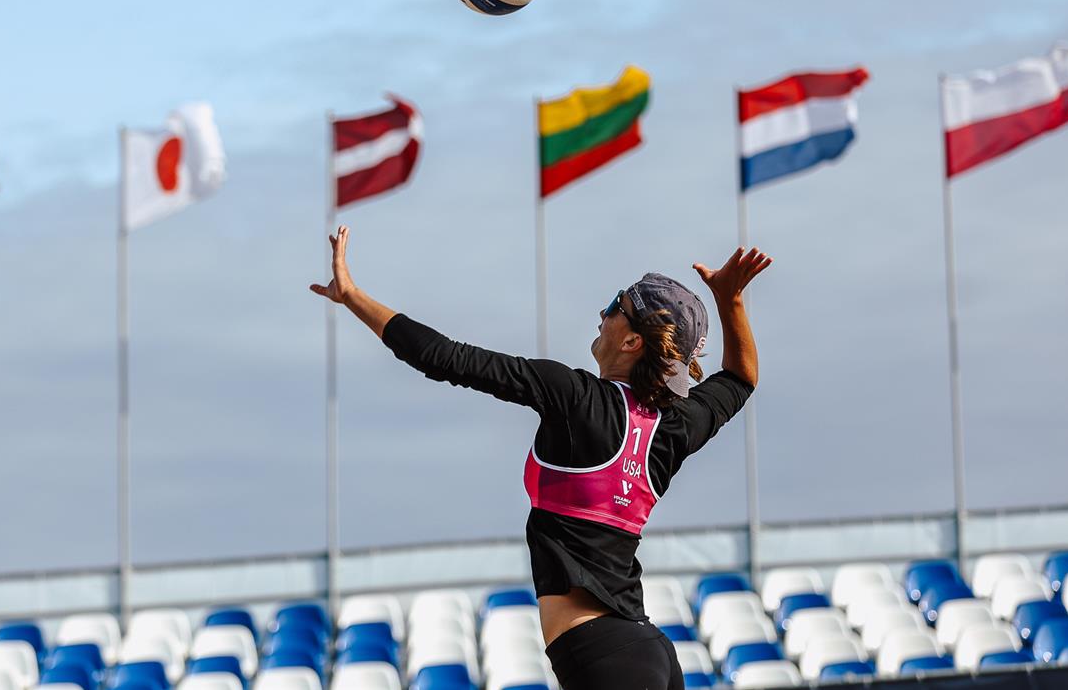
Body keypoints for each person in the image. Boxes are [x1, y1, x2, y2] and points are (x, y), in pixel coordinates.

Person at [310, 225, 772, 690]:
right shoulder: (674, 425)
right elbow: (740, 379)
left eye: (616, 305)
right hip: (645, 648)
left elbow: (443, 357)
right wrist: (729, 300)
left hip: (604, 656)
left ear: (633, 342)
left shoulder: (573, 396)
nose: (603, 313)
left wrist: (353, 297)